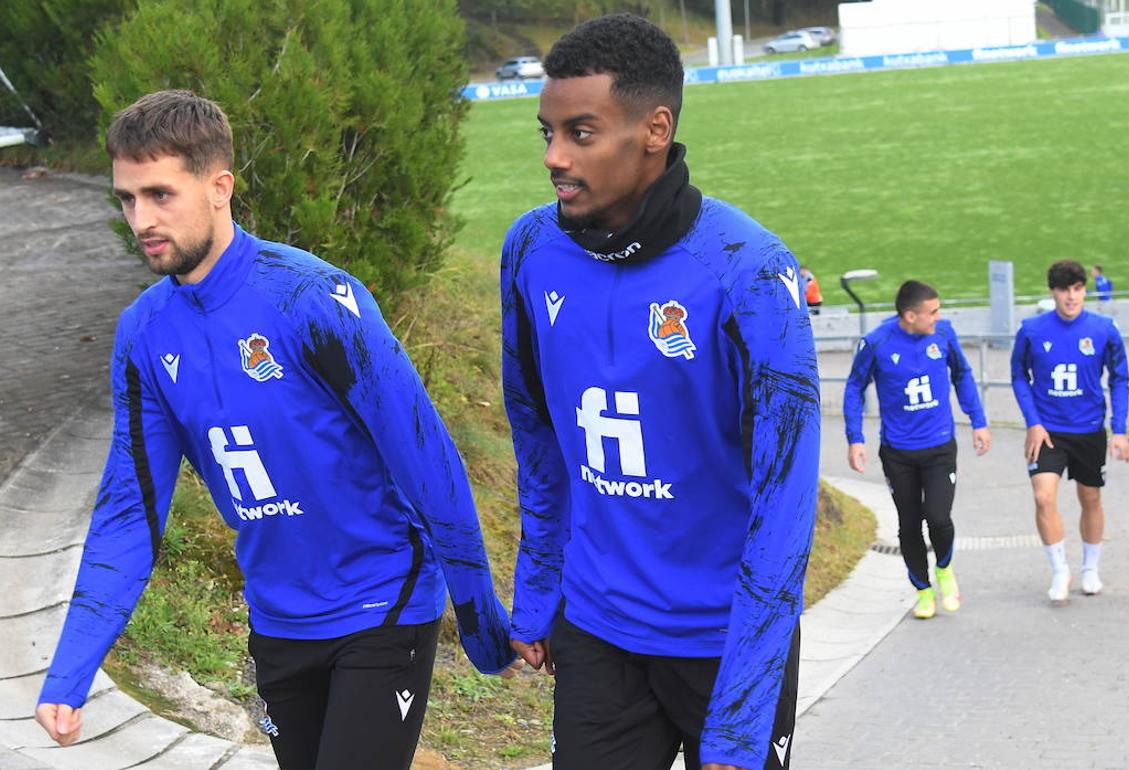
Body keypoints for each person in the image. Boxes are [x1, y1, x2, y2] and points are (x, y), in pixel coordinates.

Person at [34, 90, 515, 769]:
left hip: (381, 603)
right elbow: (130, 511)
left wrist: (477, 616)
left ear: (219, 187)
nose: (141, 219)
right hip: (278, 622)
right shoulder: (144, 333)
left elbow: (426, 458)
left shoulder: (312, 299)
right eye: (127, 199)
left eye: (161, 195)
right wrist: (70, 669)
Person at [500, 15, 820, 770]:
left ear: (654, 128)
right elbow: (534, 431)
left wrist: (740, 720)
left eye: (581, 133)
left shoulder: (748, 269)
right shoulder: (530, 249)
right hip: (598, 627)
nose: (553, 157)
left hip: (725, 641)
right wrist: (539, 588)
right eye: (546, 132)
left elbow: (786, 504)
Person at [844, 280, 991, 619]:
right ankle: (923, 591)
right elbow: (854, 387)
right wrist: (856, 438)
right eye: (932, 312)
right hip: (898, 451)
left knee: (938, 518)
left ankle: (944, 567)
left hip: (939, 445)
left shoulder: (944, 334)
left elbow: (963, 375)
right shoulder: (877, 342)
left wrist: (978, 420)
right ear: (910, 315)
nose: (938, 318)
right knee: (909, 524)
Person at [1010, 261, 1129, 603]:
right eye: (1064, 290)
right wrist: (1033, 422)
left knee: (1090, 497)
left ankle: (1090, 568)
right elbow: (1019, 375)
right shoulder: (1032, 330)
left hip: (1089, 428)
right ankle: (1060, 570)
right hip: (1047, 430)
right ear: (1053, 292)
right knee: (1043, 496)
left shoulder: (1105, 329)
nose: (1071, 297)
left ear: (1084, 291)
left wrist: (1118, 429)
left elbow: (1120, 378)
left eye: (1078, 289)